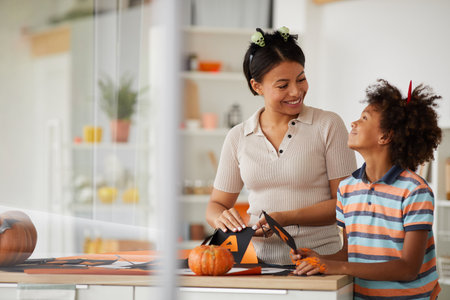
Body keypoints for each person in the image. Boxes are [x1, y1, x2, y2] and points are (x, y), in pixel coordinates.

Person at [205, 27, 357, 265]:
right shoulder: (238, 136)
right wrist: (222, 219)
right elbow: (216, 204)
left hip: (320, 262)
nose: (296, 92)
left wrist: (285, 218)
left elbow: (345, 203)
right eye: (283, 85)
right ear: (257, 87)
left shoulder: (328, 125)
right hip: (256, 264)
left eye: (301, 79)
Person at [292, 79, 442, 299]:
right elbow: (349, 253)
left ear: (385, 136)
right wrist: (321, 259)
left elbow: (408, 268)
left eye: (364, 118)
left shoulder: (414, 191)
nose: (353, 122)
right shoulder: (347, 189)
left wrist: (337, 268)